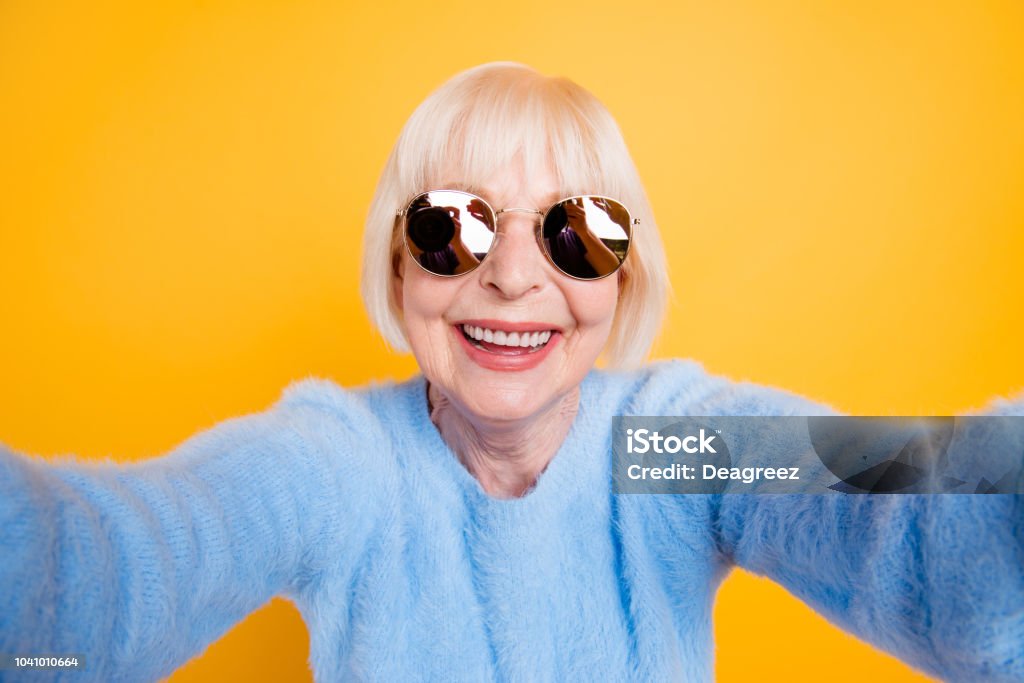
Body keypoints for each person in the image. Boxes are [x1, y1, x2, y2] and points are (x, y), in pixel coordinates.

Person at [1, 62, 1022, 682]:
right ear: (398, 264)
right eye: (452, 224)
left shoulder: (670, 440)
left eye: (577, 232)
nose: (513, 275)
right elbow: (107, 579)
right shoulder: (341, 463)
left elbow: (913, 523)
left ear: (624, 282)